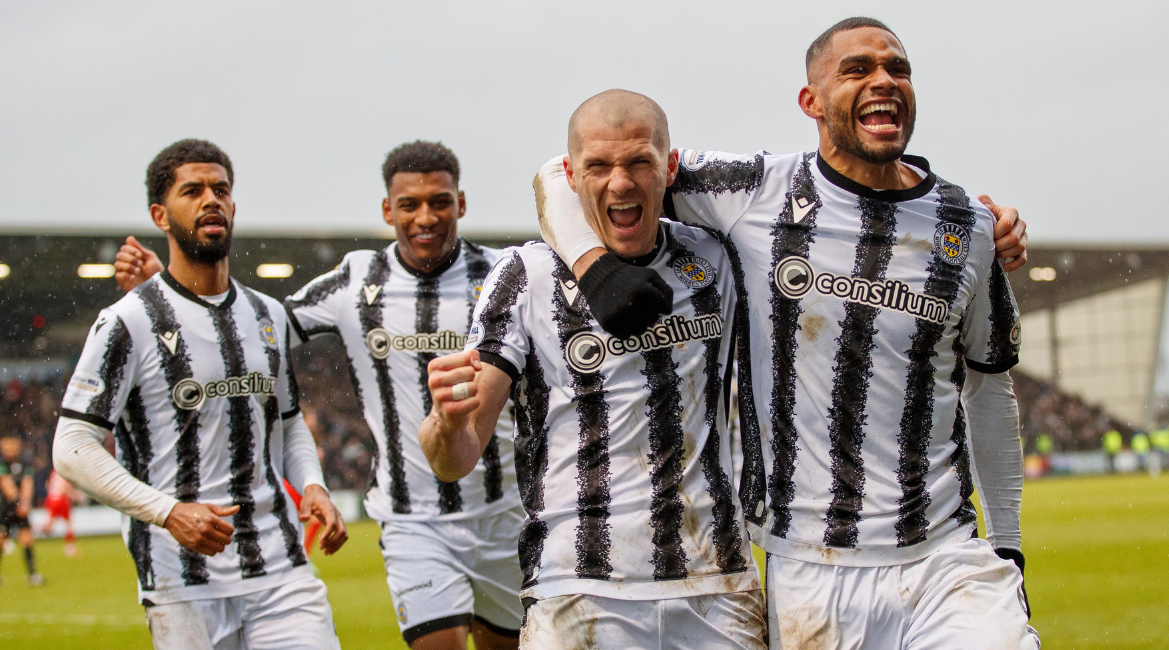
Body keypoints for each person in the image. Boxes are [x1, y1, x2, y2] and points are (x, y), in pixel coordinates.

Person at [535, 18, 1037, 650]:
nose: (883, 80)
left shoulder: (969, 226)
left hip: (944, 555)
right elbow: (562, 173)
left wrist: (1010, 545)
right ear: (811, 102)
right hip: (809, 565)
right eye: (857, 70)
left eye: (897, 69)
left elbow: (990, 387)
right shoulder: (752, 190)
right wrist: (595, 268)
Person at [113, 141, 526, 650]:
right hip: (413, 519)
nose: (426, 216)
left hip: (507, 511)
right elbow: (256, 330)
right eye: (409, 204)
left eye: (439, 201)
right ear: (386, 210)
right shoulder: (356, 281)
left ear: (460, 203)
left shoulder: (505, 279)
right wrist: (172, 292)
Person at [422, 91, 765, 649]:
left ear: (670, 167)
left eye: (639, 162)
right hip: (578, 589)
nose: (621, 183)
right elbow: (454, 459)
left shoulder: (715, 259)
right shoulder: (525, 275)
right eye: (599, 166)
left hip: (716, 583)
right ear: (570, 175)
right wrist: (446, 421)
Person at [53, 139, 348, 650]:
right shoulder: (127, 322)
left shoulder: (266, 315)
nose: (211, 199)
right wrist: (168, 512)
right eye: (193, 191)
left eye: (221, 189)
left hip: (280, 571)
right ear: (160, 215)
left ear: (233, 207)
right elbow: (72, 445)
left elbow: (288, 419)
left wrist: (314, 483)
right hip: (181, 582)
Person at [0, 433, 43, 586]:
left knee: (27, 540)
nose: (10, 449)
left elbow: (27, 483)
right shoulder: (2, 463)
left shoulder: (25, 463)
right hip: (4, 509)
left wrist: (24, 503)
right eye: (7, 445)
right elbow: (6, 484)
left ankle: (33, 575)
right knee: (1, 541)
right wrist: (19, 502)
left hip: (20, 509)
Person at [41, 469, 81, 556]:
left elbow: (48, 485)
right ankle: (70, 547)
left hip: (51, 499)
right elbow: (66, 488)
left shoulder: (53, 473)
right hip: (61, 499)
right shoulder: (65, 473)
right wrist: (72, 497)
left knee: (49, 524)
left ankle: (34, 531)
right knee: (68, 524)